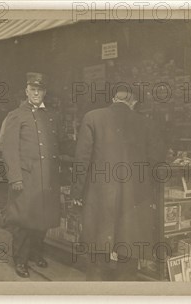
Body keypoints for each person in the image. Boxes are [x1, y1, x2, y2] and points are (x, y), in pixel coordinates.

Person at [71, 90, 166, 281]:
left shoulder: (92, 117)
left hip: (100, 197)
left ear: (113, 98)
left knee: (98, 256)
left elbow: (81, 160)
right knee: (128, 259)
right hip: (134, 202)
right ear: (134, 102)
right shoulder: (146, 122)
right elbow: (157, 162)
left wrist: (77, 193)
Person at [0, 72, 65, 278]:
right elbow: (9, 149)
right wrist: (15, 177)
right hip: (26, 179)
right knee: (23, 222)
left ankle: (36, 253)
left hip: (47, 179)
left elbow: (59, 145)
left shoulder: (51, 115)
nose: (36, 93)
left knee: (43, 220)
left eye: (40, 90)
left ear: (44, 92)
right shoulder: (16, 115)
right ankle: (20, 260)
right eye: (33, 89)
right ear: (27, 91)